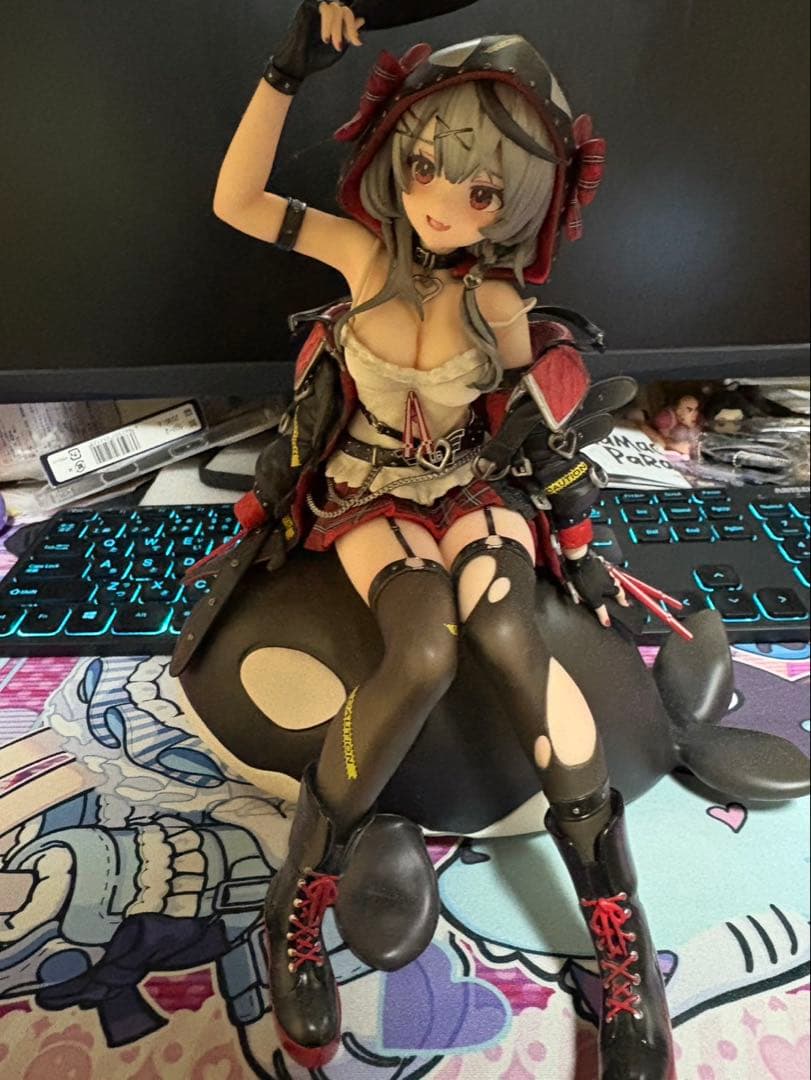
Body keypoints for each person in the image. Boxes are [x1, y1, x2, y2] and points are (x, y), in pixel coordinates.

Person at [177, 3, 676, 1076]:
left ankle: (617, 925)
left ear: (522, 202)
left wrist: (580, 537)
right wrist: (282, 73)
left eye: (482, 189)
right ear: (394, 156)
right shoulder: (360, 254)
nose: (443, 201)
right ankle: (300, 891)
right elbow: (236, 201)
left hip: (469, 487)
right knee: (421, 652)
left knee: (508, 635)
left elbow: (537, 435)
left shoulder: (498, 299)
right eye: (425, 167)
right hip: (365, 495)